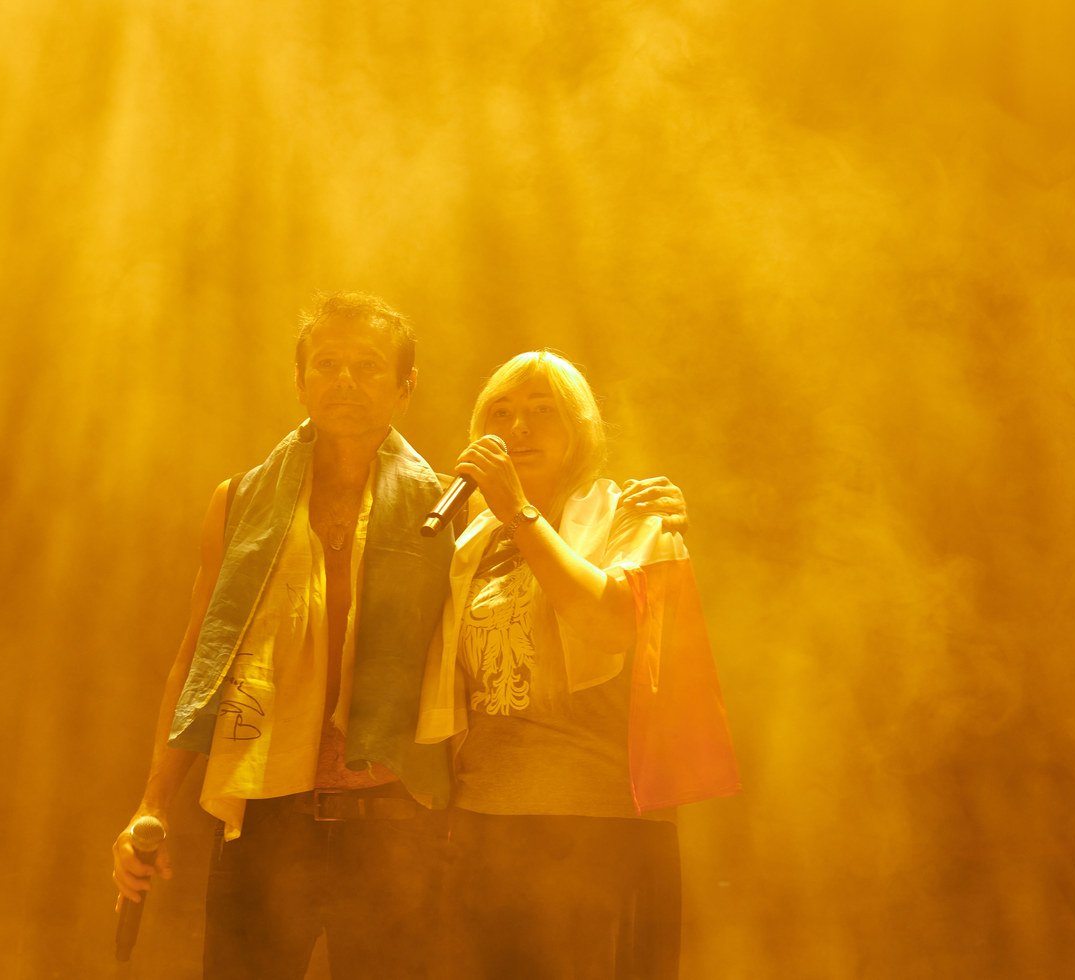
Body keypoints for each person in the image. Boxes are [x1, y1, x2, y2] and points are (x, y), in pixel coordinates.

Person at [110, 295, 689, 979]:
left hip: (396, 826)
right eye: (327, 363)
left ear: (405, 388)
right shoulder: (240, 501)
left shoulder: (454, 509)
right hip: (263, 815)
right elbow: (200, 661)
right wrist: (152, 802)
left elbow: (565, 543)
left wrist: (661, 507)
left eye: (368, 366)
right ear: (299, 380)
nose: (345, 381)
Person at [417, 351, 740, 979]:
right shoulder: (468, 535)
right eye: (501, 413)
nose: (519, 428)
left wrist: (520, 511)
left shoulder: (634, 513)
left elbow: (610, 624)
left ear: (581, 429)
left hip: (600, 827)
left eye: (544, 411)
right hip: (484, 823)